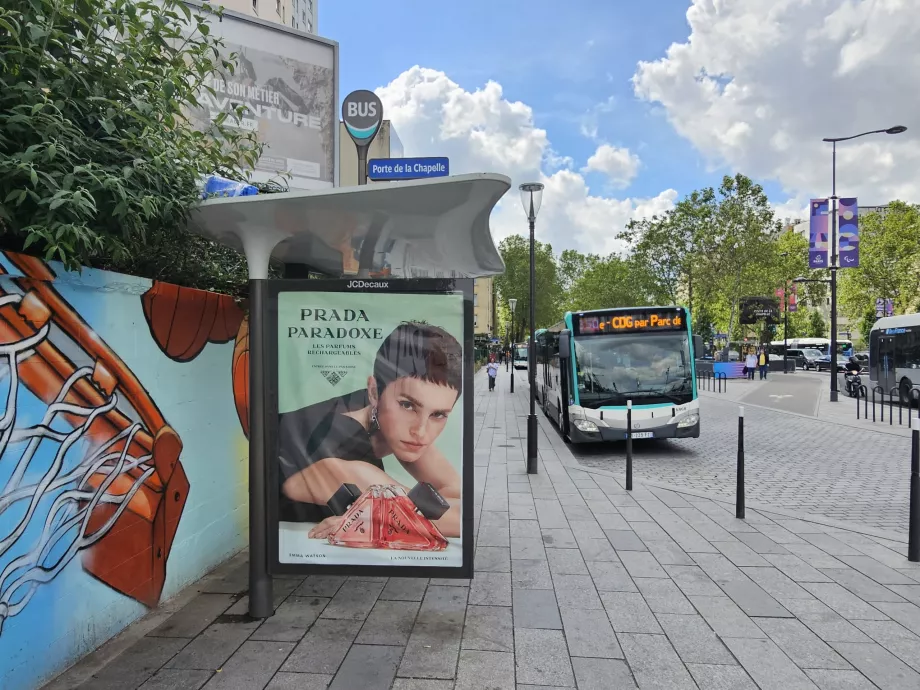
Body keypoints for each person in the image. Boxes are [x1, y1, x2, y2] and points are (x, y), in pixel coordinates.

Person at [277, 321, 462, 539]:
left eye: (438, 414)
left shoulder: (380, 411)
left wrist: (384, 516)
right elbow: (458, 520)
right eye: (408, 405)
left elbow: (457, 495)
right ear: (374, 392)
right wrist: (389, 517)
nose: (421, 431)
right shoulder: (339, 445)